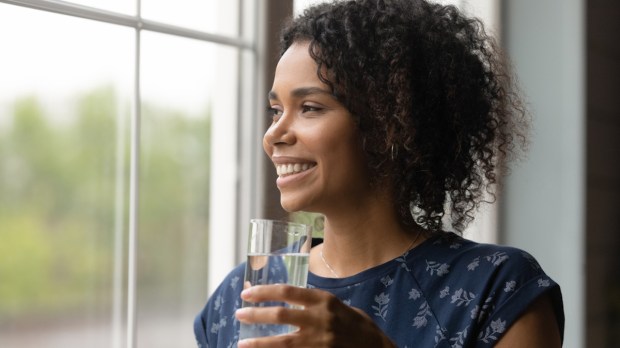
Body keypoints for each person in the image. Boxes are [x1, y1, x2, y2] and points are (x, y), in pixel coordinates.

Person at [194, 0, 565, 346]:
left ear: (392, 124)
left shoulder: (500, 289)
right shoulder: (240, 294)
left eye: (309, 107)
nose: (274, 134)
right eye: (275, 110)